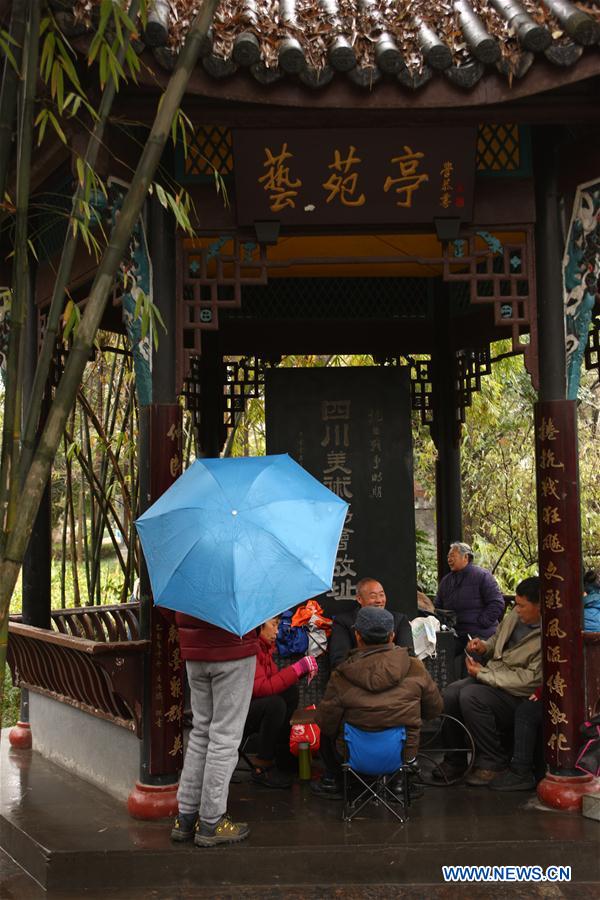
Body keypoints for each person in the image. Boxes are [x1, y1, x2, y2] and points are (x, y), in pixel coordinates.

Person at [311, 606, 443, 798]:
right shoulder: (415, 666)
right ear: (392, 635)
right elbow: (434, 710)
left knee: (327, 720)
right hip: (402, 755)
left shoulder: (342, 673)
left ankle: (334, 781)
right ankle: (399, 783)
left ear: (357, 636)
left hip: (353, 756)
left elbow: (326, 723)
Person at [436, 576, 542, 787]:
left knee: (471, 696)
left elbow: (529, 680)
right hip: (493, 676)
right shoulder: (515, 616)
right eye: (516, 605)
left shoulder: (548, 633)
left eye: (522, 606)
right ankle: (455, 759)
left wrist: (483, 674)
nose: (517, 610)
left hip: (517, 694)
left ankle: (493, 761)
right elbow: (497, 639)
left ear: (540, 605)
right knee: (450, 693)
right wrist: (484, 646)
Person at [169, 612, 259, 847]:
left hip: (195, 651)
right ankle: (211, 821)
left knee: (201, 732)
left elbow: (168, 607)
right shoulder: (240, 574)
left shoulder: (187, 573)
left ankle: (185, 817)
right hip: (233, 649)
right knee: (224, 737)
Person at [244, 615, 318, 789]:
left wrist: (298, 672)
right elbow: (263, 688)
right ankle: (263, 765)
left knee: (289, 692)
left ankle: (283, 756)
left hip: (254, 708)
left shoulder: (264, 648)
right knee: (274, 704)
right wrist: (297, 668)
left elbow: (275, 680)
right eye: (274, 625)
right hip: (238, 714)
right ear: (259, 627)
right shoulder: (250, 650)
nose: (277, 631)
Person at [434, 542, 505, 659]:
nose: (449, 559)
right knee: (439, 652)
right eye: (448, 557)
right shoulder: (446, 581)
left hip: (481, 634)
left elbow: (497, 603)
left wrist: (481, 623)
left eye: (452, 556)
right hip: (456, 634)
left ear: (466, 557)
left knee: (473, 655)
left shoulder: (482, 576)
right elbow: (437, 605)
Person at [328, 577, 414, 669]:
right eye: (373, 596)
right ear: (359, 599)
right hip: (357, 676)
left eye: (381, 595)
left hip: (393, 675)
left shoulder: (399, 620)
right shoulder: (343, 622)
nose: (379, 600)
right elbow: (339, 662)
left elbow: (408, 656)